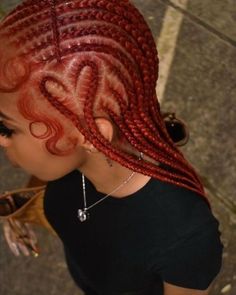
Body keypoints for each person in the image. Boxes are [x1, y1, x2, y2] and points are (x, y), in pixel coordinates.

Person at [0, 0, 223, 294]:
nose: (1, 140)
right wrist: (20, 206)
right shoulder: (66, 162)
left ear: (91, 136)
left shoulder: (185, 237)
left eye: (6, 128)